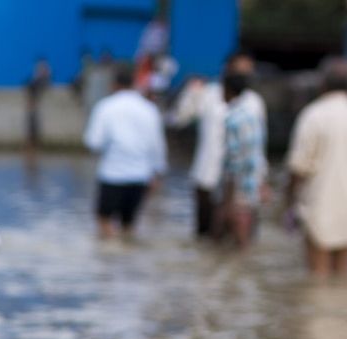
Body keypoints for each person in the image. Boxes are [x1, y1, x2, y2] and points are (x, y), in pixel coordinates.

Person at [284, 58, 347, 278]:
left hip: (319, 202)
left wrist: (289, 200)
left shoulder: (313, 116)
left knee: (317, 275)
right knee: (342, 273)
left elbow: (298, 166)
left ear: (322, 84)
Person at [170, 53, 265, 240]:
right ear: (227, 70)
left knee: (241, 239)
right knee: (205, 237)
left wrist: (262, 179)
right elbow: (178, 119)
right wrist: (191, 93)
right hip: (208, 176)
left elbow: (258, 146)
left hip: (243, 185)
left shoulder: (254, 102)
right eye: (239, 71)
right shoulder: (208, 94)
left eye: (248, 71)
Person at [84, 65, 167, 239]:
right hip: (140, 176)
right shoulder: (149, 109)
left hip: (112, 175)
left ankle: (109, 254)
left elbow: (93, 142)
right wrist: (158, 173)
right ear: (134, 83)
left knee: (104, 221)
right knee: (129, 225)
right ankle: (128, 254)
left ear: (114, 84)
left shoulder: (105, 107)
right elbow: (157, 145)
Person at [219, 73, 266, 249]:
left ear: (228, 90)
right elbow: (258, 153)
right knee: (247, 233)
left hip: (239, 184)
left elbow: (234, 162)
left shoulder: (233, 119)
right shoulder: (251, 115)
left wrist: (228, 198)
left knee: (238, 236)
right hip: (253, 181)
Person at [25, 57, 53, 152]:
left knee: (34, 125)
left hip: (40, 89)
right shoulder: (39, 71)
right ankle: (31, 145)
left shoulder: (46, 70)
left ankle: (34, 145)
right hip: (34, 103)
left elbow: (44, 79)